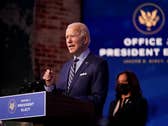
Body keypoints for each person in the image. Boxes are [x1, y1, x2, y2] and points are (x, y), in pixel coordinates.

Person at [43, 22, 109, 118]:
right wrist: (50, 86)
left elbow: (97, 100)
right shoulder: (66, 66)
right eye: (66, 37)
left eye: (72, 36)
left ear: (85, 39)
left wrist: (68, 103)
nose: (68, 41)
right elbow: (59, 98)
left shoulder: (98, 64)